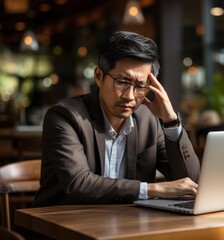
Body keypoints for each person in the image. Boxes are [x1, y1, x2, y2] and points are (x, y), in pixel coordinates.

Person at [32, 31, 200, 207]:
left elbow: (191, 182)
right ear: (99, 76)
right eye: (121, 82)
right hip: (59, 223)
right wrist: (152, 189)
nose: (129, 96)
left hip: (125, 224)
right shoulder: (65, 117)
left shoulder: (148, 120)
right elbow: (78, 184)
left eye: (140, 86)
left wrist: (171, 121)